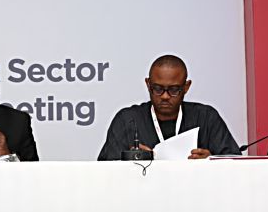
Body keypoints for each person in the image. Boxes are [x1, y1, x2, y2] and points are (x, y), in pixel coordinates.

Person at [98, 55, 238, 160]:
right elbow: (104, 171)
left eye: (174, 90)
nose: (165, 96)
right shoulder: (127, 120)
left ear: (186, 87)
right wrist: (131, 160)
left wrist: (211, 161)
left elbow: (236, 165)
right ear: (148, 84)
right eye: (158, 89)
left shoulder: (206, 117)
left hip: (195, 195)